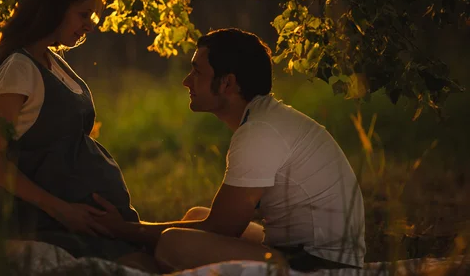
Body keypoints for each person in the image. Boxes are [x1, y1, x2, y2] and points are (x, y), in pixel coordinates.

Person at [93, 28, 366, 272]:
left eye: (197, 72)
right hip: (296, 251)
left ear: (227, 83)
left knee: (173, 243)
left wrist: (125, 230)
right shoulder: (263, 119)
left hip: (318, 264)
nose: (186, 81)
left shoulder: (260, 131)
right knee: (195, 216)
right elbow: (217, 223)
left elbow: (222, 228)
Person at [0, 0, 158, 271]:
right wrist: (62, 210)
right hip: (49, 226)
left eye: (93, 15)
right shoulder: (18, 69)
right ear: (54, 7)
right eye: (83, 14)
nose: (91, 24)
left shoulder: (52, 61)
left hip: (86, 224)